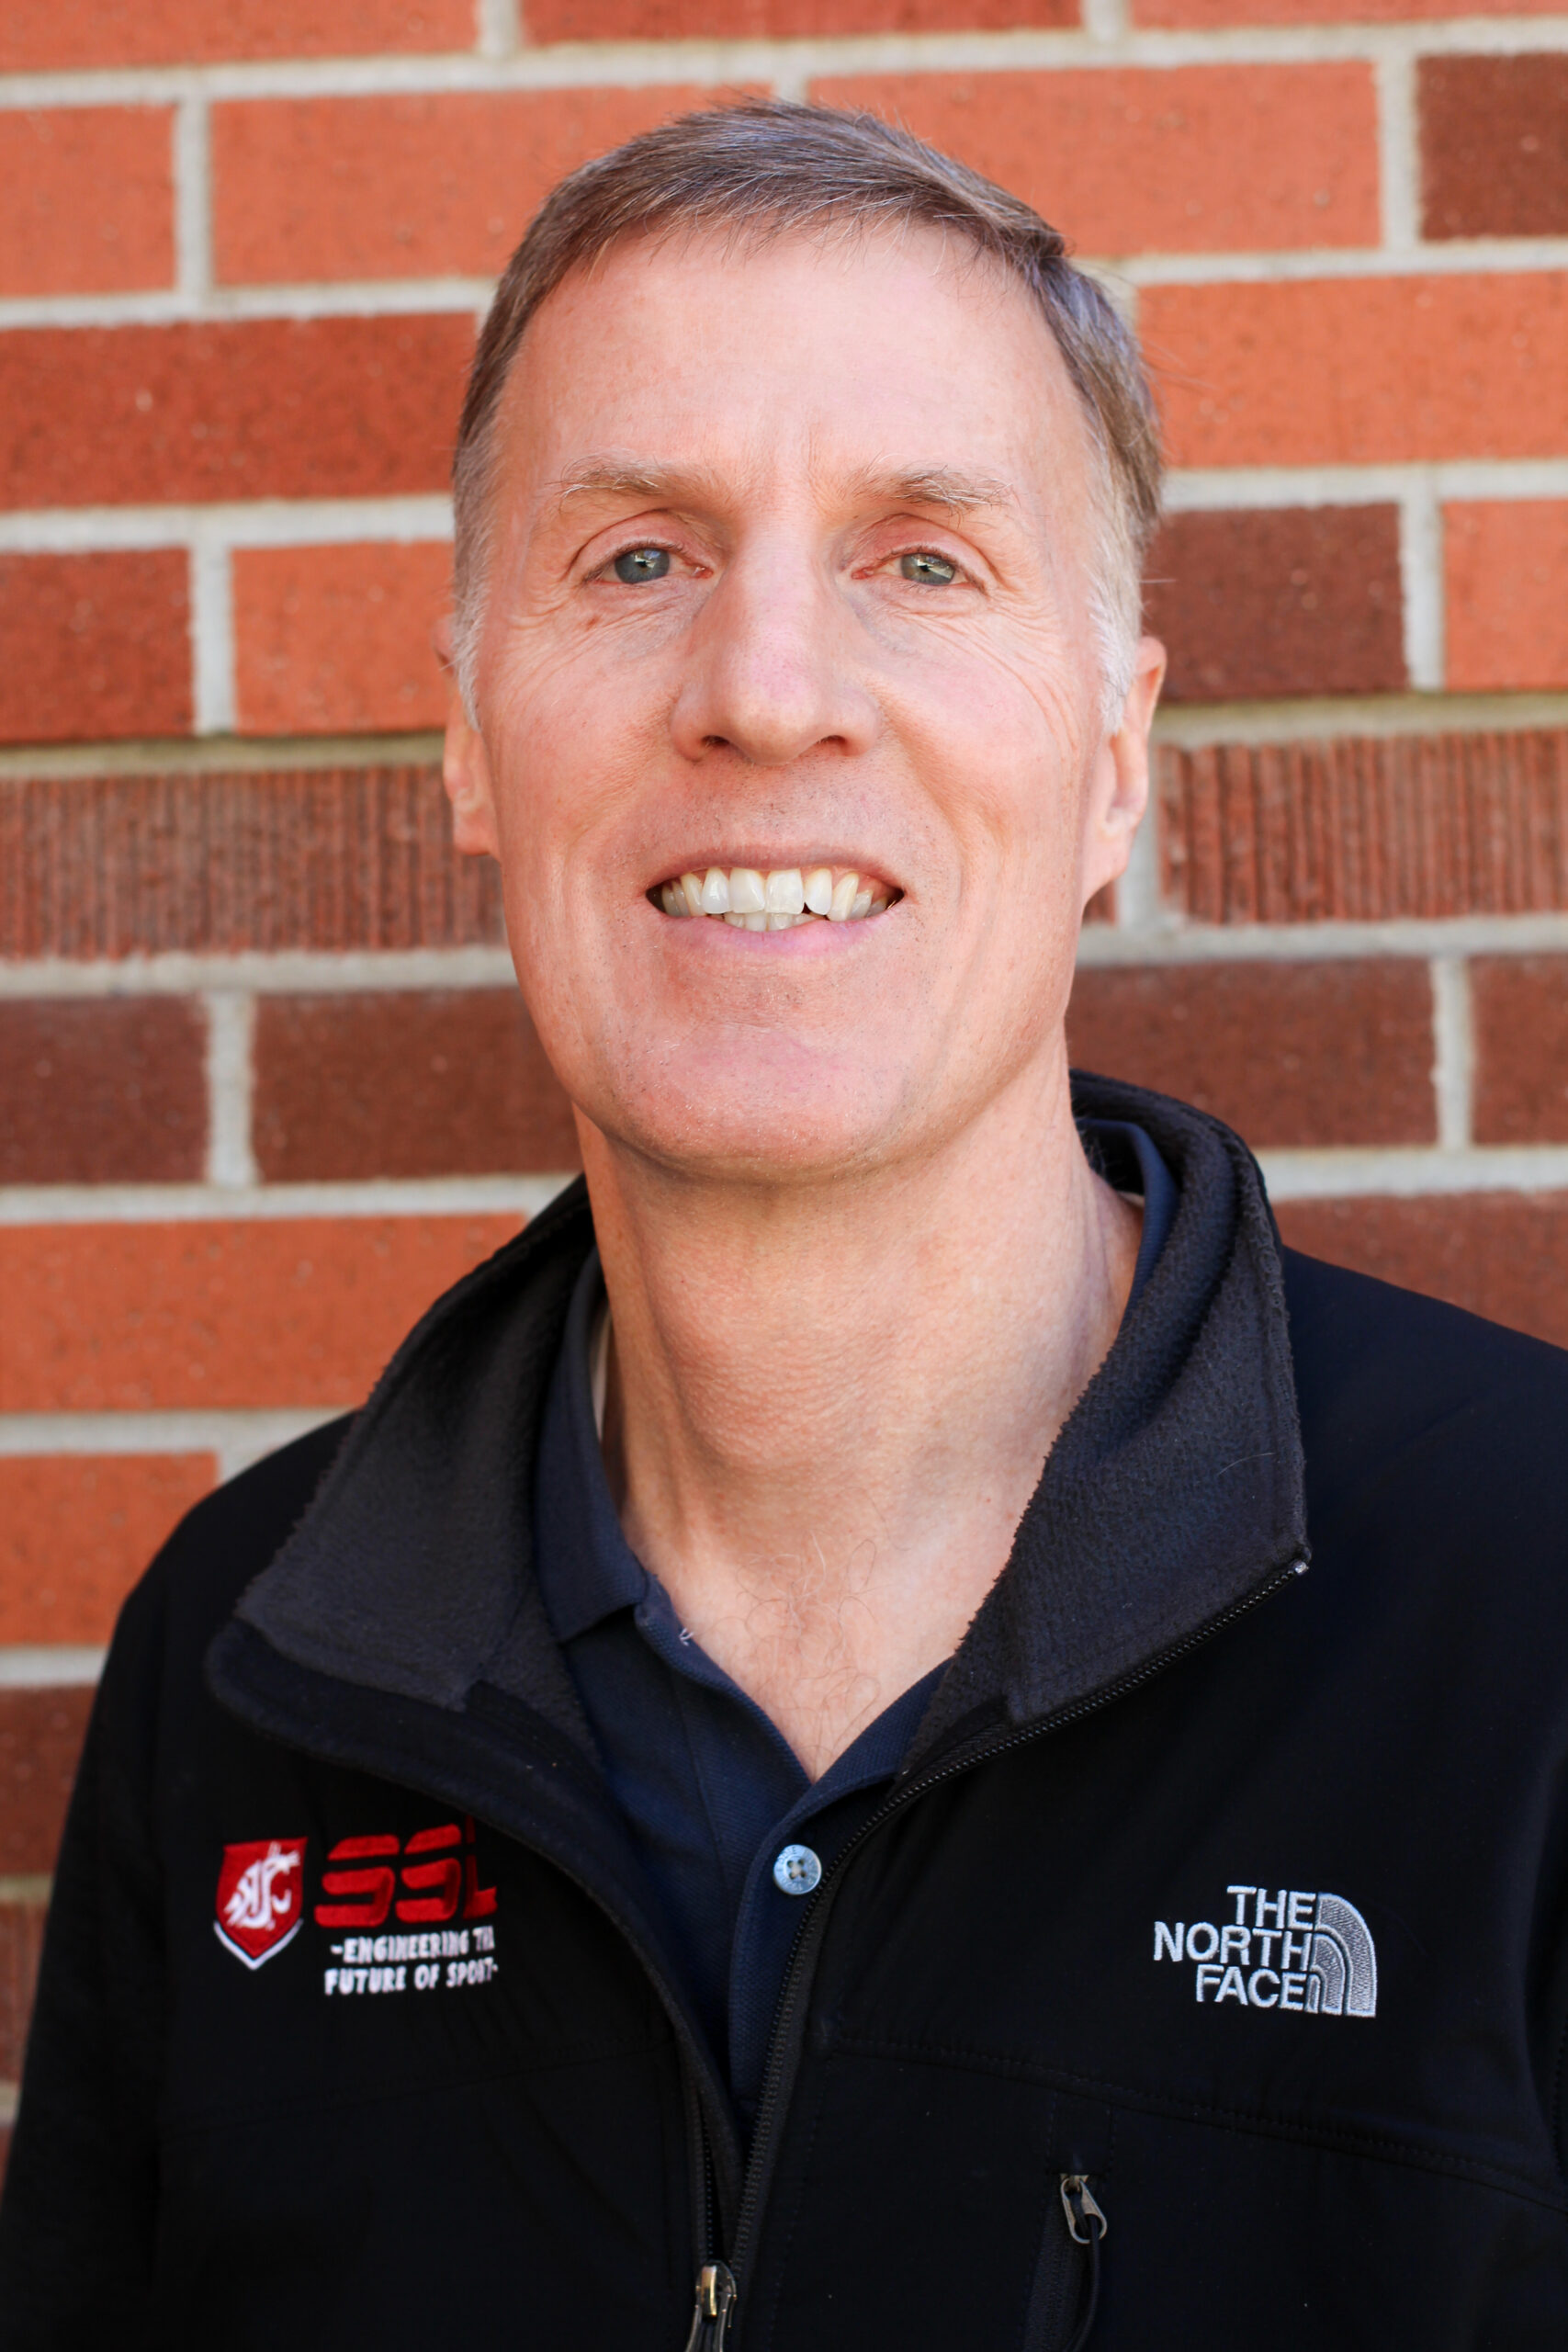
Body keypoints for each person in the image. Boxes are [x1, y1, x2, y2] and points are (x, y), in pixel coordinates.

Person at [2, 99, 1566, 2352]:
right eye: (638, 555)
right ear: (470, 739)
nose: (762, 687)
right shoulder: (245, 1659)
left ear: (1110, 757)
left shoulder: (1526, 1603)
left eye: (919, 562)